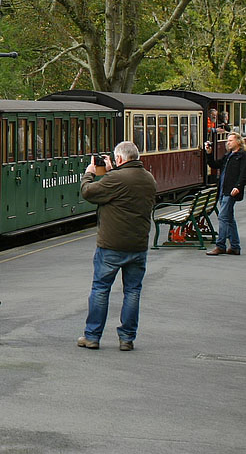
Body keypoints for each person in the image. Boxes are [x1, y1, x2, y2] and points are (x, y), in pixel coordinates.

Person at [77, 141, 157, 351]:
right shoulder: (149, 178)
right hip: (138, 245)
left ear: (120, 159)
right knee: (132, 291)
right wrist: (113, 172)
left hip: (111, 245)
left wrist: (89, 173)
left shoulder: (115, 178)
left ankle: (92, 336)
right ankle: (127, 338)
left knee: (101, 289)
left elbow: (88, 192)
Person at [203, 131, 246, 255]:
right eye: (227, 141)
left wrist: (238, 187)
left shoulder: (243, 156)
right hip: (223, 190)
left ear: (238, 142)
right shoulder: (228, 155)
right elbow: (215, 164)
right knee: (229, 218)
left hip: (231, 191)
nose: (227, 143)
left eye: (230, 140)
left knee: (223, 217)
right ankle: (235, 247)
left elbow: (244, 174)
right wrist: (209, 153)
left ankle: (220, 245)